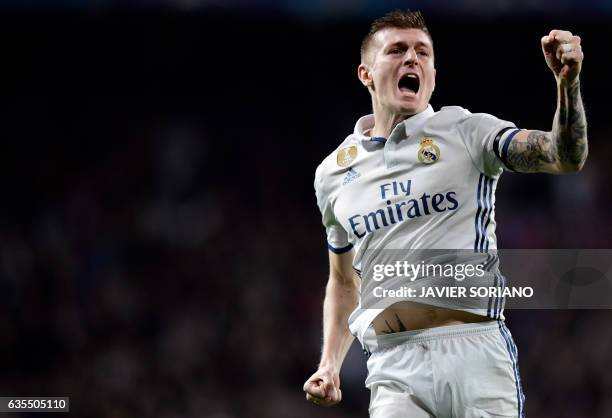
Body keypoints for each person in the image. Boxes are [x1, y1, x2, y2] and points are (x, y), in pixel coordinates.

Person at [303, 9, 587, 418]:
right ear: (366, 74)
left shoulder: (468, 132)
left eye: (422, 52)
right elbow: (345, 280)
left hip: (477, 355)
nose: (412, 59)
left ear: (433, 72)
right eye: (397, 50)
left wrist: (568, 84)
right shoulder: (332, 174)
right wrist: (329, 364)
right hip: (392, 366)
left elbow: (564, 157)